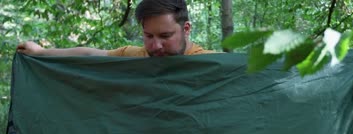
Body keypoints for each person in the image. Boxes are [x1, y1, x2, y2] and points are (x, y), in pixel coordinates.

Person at [17, 0, 214, 57]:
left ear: (186, 28)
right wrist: (41, 52)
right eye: (148, 35)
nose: (156, 46)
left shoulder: (210, 63)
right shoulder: (137, 56)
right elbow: (90, 55)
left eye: (165, 36)